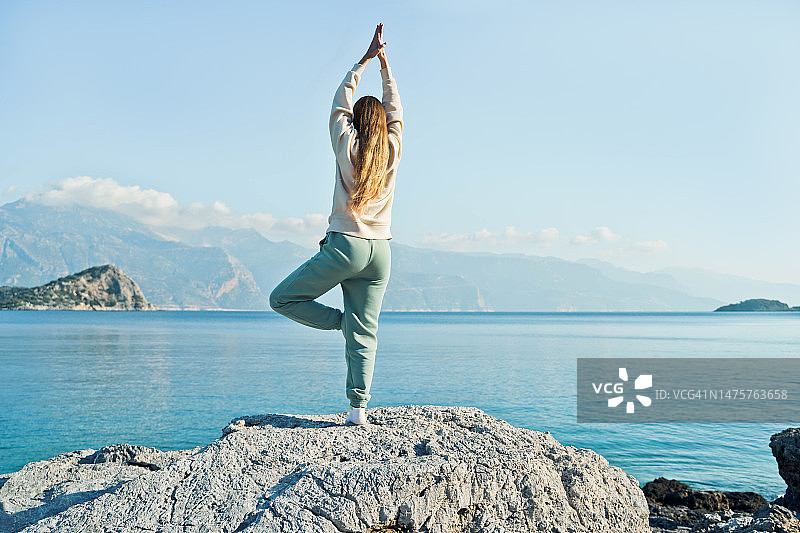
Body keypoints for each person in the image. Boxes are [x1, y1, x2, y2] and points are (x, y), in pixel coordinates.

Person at [269, 23, 403, 426]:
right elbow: (397, 111)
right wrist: (386, 68)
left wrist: (362, 61)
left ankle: (343, 325)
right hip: (381, 252)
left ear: (356, 122)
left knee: (282, 299)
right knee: (368, 334)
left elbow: (338, 105)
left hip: (346, 245)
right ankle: (357, 411)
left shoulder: (348, 144)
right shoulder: (393, 151)